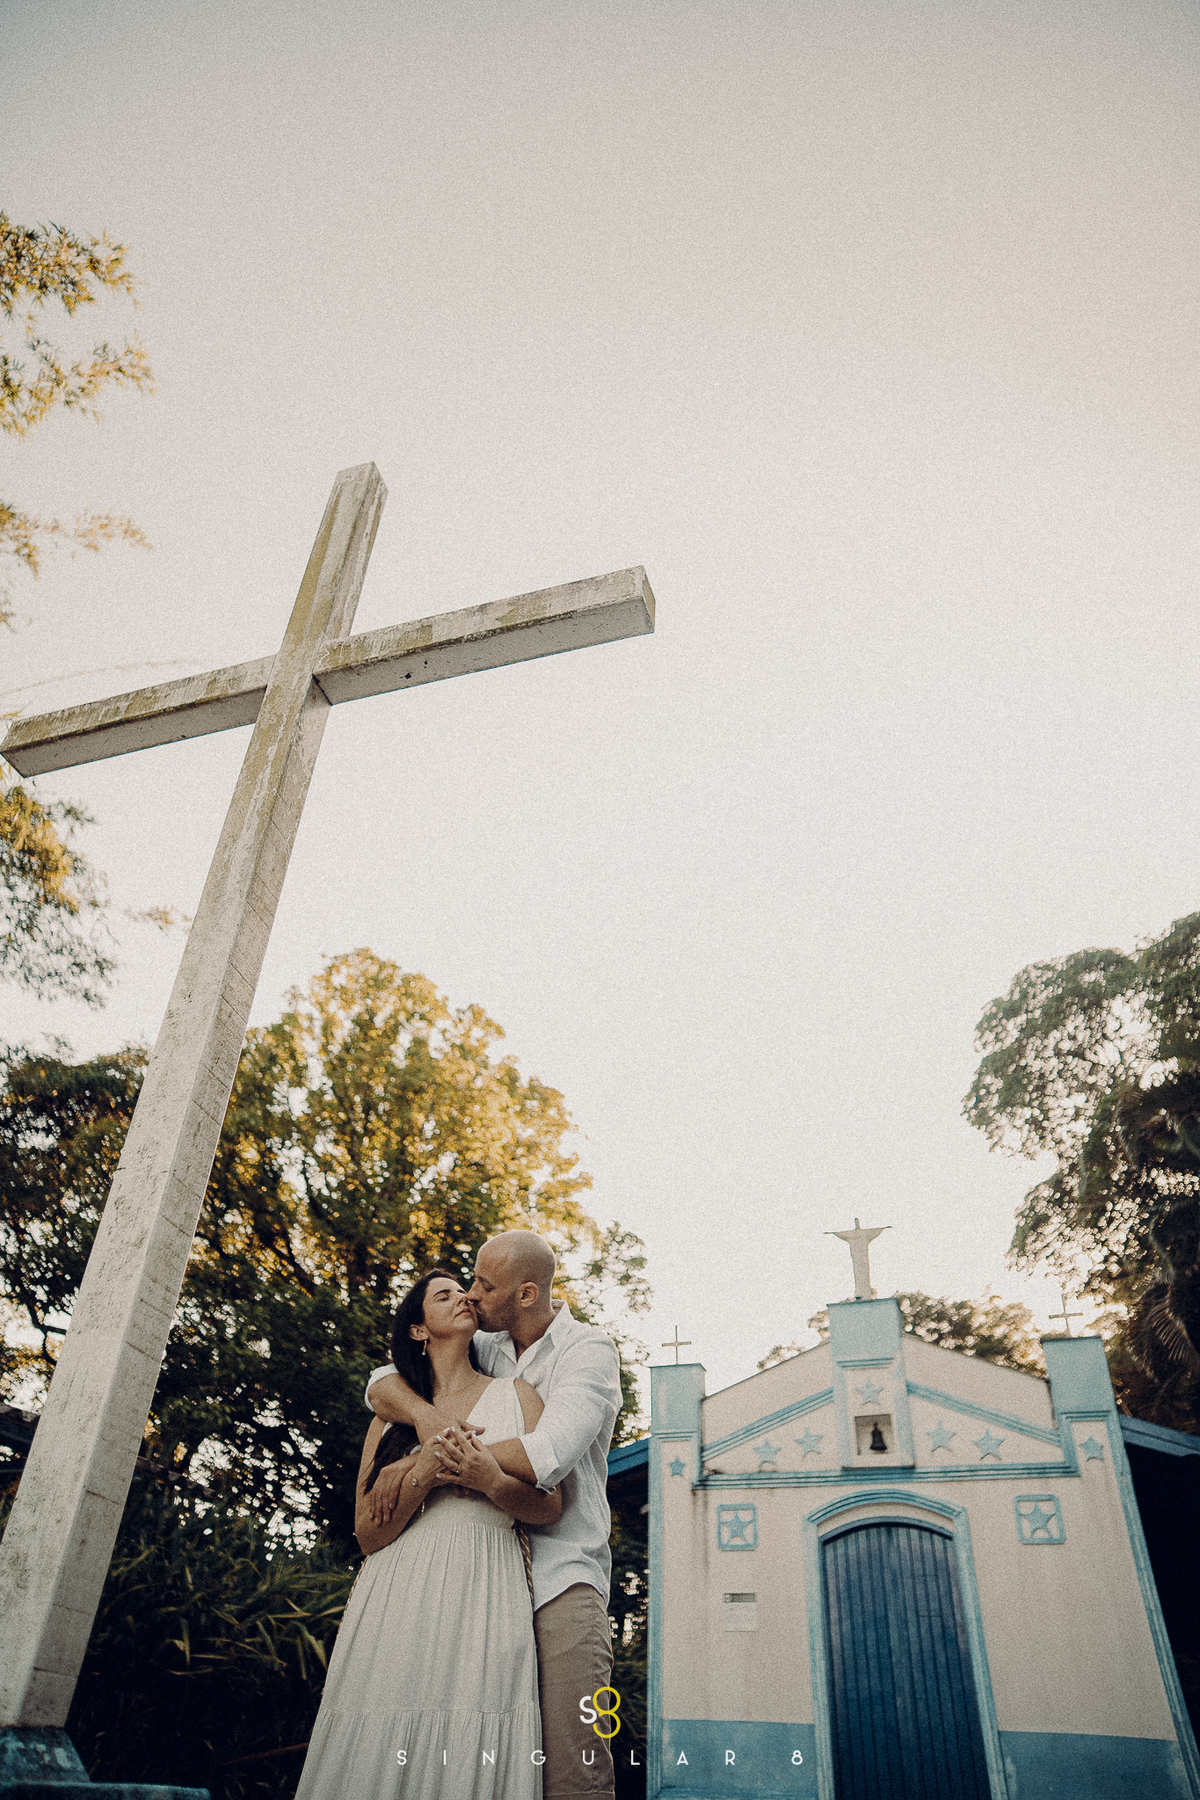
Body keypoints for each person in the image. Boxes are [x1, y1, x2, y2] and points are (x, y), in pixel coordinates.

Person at [366, 1231, 623, 1800]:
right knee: (481, 1766)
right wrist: (423, 1421)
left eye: (484, 1284)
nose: (472, 1295)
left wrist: (422, 1460)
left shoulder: (590, 1352)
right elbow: (382, 1382)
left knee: (573, 1768)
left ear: (526, 1294)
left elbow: (545, 1453)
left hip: (562, 1581)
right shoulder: (486, 1346)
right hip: (479, 1589)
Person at [294, 1268, 561, 1800]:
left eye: (466, 1292)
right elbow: (368, 1534)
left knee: (476, 1708)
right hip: (399, 1583)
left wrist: (488, 1479)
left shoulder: (518, 1396)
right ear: (419, 1330)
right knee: (386, 1710)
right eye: (445, 1296)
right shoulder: (392, 1417)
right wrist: (422, 1470)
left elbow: (550, 1507)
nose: (463, 1298)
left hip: (485, 1577)